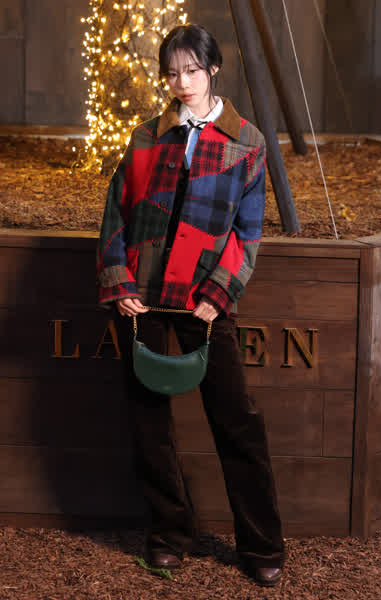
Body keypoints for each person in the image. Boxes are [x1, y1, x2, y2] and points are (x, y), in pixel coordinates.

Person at [96, 23, 285, 587]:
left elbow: (247, 232)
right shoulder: (145, 137)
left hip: (203, 302)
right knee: (148, 423)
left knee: (237, 421)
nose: (182, 82)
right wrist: (120, 281)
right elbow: (115, 214)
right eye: (173, 73)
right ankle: (169, 536)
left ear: (213, 69)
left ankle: (261, 545)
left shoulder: (247, 142)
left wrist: (218, 294)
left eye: (193, 70)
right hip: (142, 300)